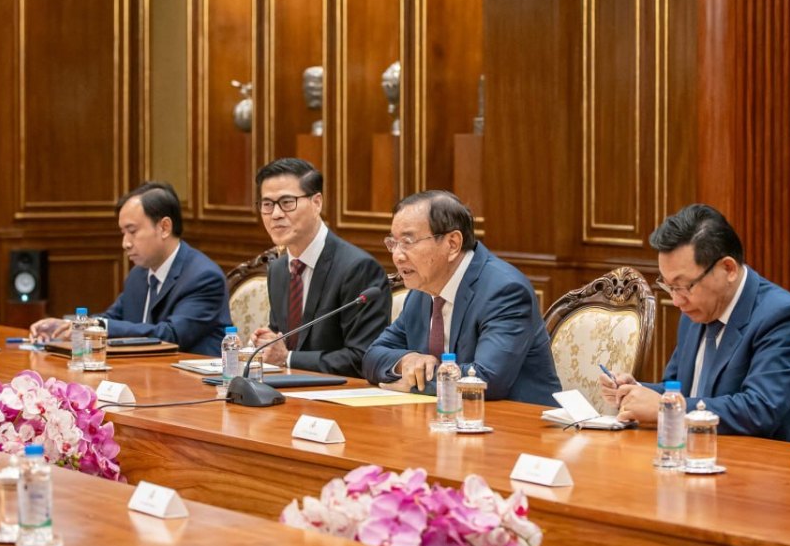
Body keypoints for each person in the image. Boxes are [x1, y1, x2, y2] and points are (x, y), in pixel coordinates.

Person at [599, 204, 790, 444]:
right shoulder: (695, 312)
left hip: (773, 462)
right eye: (669, 286)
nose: (676, 300)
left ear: (728, 268)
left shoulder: (782, 317)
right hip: (700, 454)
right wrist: (635, 391)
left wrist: (664, 406)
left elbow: (759, 410)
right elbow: (678, 391)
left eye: (684, 286)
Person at [362, 190, 560, 405]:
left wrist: (415, 384)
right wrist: (406, 361)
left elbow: (487, 379)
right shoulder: (423, 289)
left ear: (453, 244)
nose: (397, 256)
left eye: (408, 241)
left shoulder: (504, 290)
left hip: (518, 419)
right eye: (393, 243)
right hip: (446, 416)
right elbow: (373, 356)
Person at [29, 182, 230, 356]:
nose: (125, 243)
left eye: (132, 231)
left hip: (192, 383)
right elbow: (112, 318)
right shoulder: (139, 274)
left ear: (164, 227)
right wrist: (70, 326)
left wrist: (98, 326)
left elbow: (171, 335)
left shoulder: (203, 277)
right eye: (123, 233)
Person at [250, 159, 391, 376]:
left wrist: (287, 358)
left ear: (316, 203)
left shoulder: (357, 268)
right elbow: (284, 340)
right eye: (267, 204)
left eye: (287, 202)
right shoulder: (278, 269)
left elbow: (363, 357)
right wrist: (267, 342)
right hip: (287, 387)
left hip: (340, 393)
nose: (275, 214)